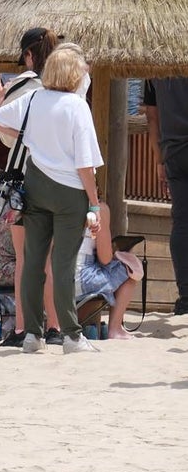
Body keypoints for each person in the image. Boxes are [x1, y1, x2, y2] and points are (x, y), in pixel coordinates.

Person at [0, 44, 102, 354]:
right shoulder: (77, 106)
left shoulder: (34, 98)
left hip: (35, 184)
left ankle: (31, 334)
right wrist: (94, 202)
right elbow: (85, 163)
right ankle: (72, 336)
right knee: (62, 264)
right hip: (69, 192)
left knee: (33, 262)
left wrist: (25, 138)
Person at [0, 27, 63, 347]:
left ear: (28, 55)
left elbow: (8, 137)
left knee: (24, 258)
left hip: (22, 180)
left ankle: (23, 328)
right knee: (50, 258)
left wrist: (1, 101)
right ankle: (55, 328)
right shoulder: (66, 88)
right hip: (57, 179)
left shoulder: (22, 86)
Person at [143, 77, 188, 315]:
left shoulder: (155, 69)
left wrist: (159, 159)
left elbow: (152, 116)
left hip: (174, 151)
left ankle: (186, 296)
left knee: (181, 223)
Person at [75, 201, 141, 340]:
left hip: (55, 278)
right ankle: (115, 328)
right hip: (81, 279)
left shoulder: (58, 203)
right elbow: (105, 258)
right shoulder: (99, 209)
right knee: (130, 270)